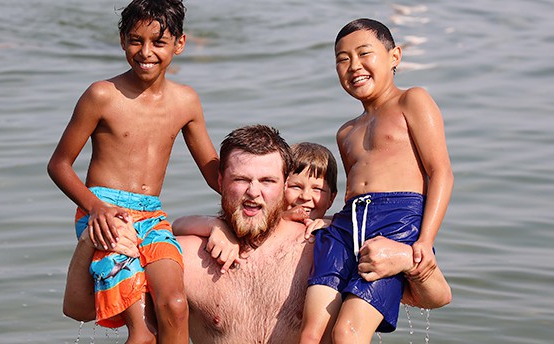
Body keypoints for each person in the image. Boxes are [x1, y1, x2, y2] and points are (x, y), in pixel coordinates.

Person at [62, 125, 451, 344]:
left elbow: (433, 298)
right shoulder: (183, 255)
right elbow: (80, 310)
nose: (253, 192)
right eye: (241, 179)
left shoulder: (324, 246)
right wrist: (89, 241)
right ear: (219, 181)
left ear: (285, 185)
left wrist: (407, 259)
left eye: (267, 180)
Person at [47, 0, 219, 343]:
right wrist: (96, 208)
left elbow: (213, 172)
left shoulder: (186, 101)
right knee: (142, 331)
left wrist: (257, 188)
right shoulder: (102, 95)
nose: (146, 52)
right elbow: (59, 165)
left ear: (180, 43)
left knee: (175, 304)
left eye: (158, 42)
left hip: (152, 214)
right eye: (136, 40)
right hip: (105, 213)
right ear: (123, 39)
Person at [299, 18, 455, 344]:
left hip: (397, 219)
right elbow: (356, 191)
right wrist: (330, 220)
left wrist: (423, 242)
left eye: (364, 53)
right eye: (342, 59)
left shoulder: (412, 100)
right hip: (349, 222)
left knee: (348, 332)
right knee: (312, 332)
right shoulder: (345, 132)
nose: (354, 66)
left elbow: (440, 171)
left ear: (395, 56)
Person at [171, 141, 339, 273]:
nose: (305, 196)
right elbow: (178, 225)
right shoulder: (255, 218)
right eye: (296, 187)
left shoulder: (328, 226)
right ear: (282, 187)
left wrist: (327, 224)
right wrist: (216, 226)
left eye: (317, 189)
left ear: (332, 198)